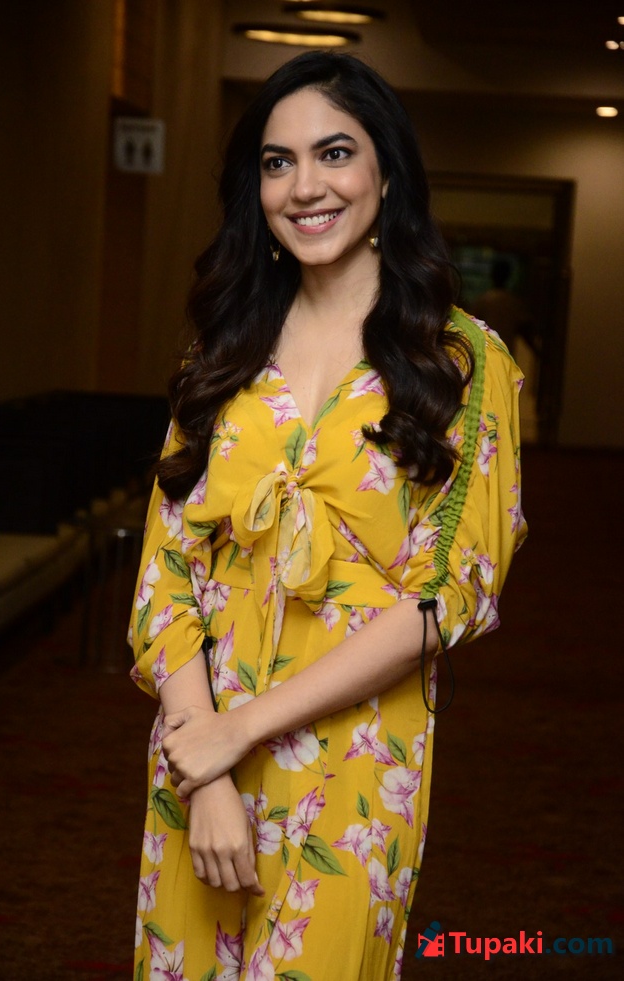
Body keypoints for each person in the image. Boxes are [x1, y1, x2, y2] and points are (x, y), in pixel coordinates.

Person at [129, 51, 527, 981]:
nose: (305, 186)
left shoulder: (462, 363)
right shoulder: (220, 353)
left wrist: (241, 731)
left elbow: (444, 595)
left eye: (335, 153)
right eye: (278, 163)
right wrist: (205, 758)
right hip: (196, 756)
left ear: (387, 173)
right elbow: (165, 576)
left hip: (353, 766)